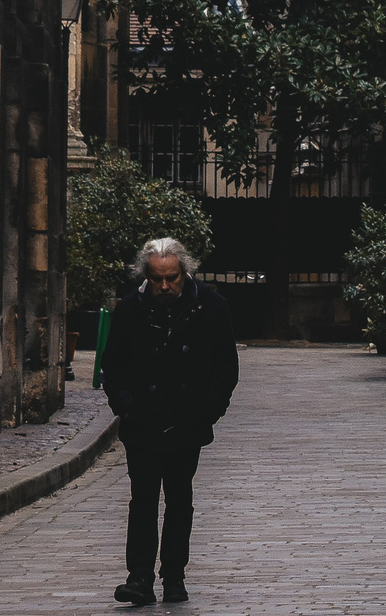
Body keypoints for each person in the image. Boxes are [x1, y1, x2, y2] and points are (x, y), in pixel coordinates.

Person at [97, 236, 238, 606]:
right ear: (146, 275)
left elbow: (226, 366)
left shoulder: (210, 305)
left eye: (171, 278)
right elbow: (112, 367)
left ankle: (174, 575)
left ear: (183, 272)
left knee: (179, 499)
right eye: (157, 278)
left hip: (187, 420)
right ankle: (139, 577)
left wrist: (209, 409)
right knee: (142, 499)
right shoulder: (129, 309)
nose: (164, 286)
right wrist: (126, 406)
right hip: (142, 420)